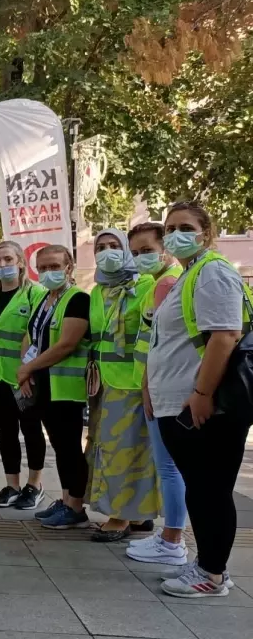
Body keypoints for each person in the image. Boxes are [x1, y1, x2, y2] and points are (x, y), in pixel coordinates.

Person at [148, 202, 249, 597]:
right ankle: (208, 563)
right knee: (202, 487)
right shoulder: (191, 274)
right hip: (182, 400)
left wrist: (202, 394)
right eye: (170, 227)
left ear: (206, 232)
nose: (175, 234)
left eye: (185, 226)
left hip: (206, 405)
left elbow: (225, 335)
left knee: (210, 488)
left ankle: (212, 573)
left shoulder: (212, 272)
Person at [86, 228, 160, 542]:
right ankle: (137, 514)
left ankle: (119, 517)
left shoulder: (146, 285)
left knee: (126, 451)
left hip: (133, 383)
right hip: (104, 384)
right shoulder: (97, 292)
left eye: (114, 246)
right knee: (107, 448)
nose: (107, 252)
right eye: (100, 247)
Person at [126, 222, 188, 566]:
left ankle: (172, 540)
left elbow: (158, 343)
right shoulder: (161, 282)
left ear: (164, 248)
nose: (140, 258)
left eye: (147, 250)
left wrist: (148, 388)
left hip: (160, 386)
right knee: (169, 466)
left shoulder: (166, 283)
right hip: (156, 384)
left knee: (168, 467)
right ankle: (171, 536)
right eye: (135, 253)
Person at [16, 245, 92, 530]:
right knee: (60, 447)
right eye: (43, 267)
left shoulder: (77, 299)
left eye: (54, 266)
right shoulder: (45, 299)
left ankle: (76, 507)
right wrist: (25, 370)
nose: (48, 272)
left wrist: (28, 368)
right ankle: (65, 500)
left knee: (70, 446)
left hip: (66, 387)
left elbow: (67, 344)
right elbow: (31, 335)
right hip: (45, 384)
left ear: (69, 266)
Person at [0, 240, 47, 510]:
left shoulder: (34, 293)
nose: (2, 265)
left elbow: (38, 336)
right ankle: (12, 485)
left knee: (31, 430)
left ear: (20, 262)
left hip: (23, 376)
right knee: (6, 433)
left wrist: (29, 371)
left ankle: (34, 485)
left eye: (7, 259)